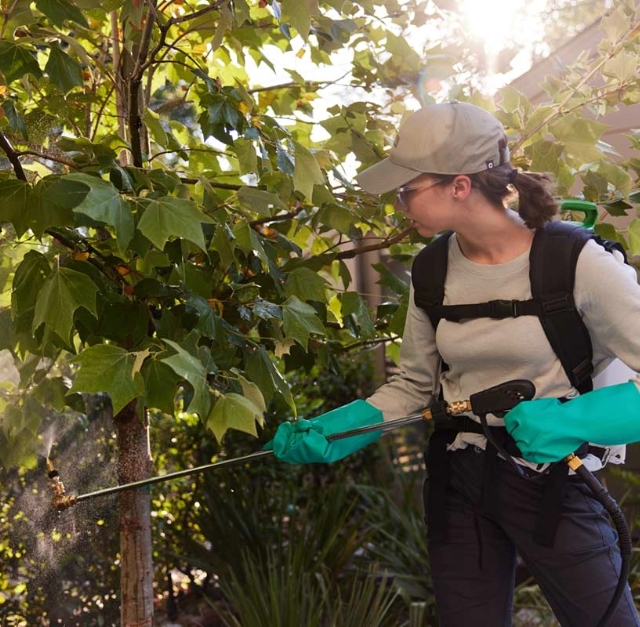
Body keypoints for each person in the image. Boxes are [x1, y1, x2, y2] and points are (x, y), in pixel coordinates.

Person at [267, 101, 640, 626]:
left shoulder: (577, 263)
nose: (399, 205)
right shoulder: (433, 267)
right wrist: (338, 429)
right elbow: (413, 386)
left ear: (460, 185)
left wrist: (573, 421)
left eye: (407, 190)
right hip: (459, 478)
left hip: (556, 479)